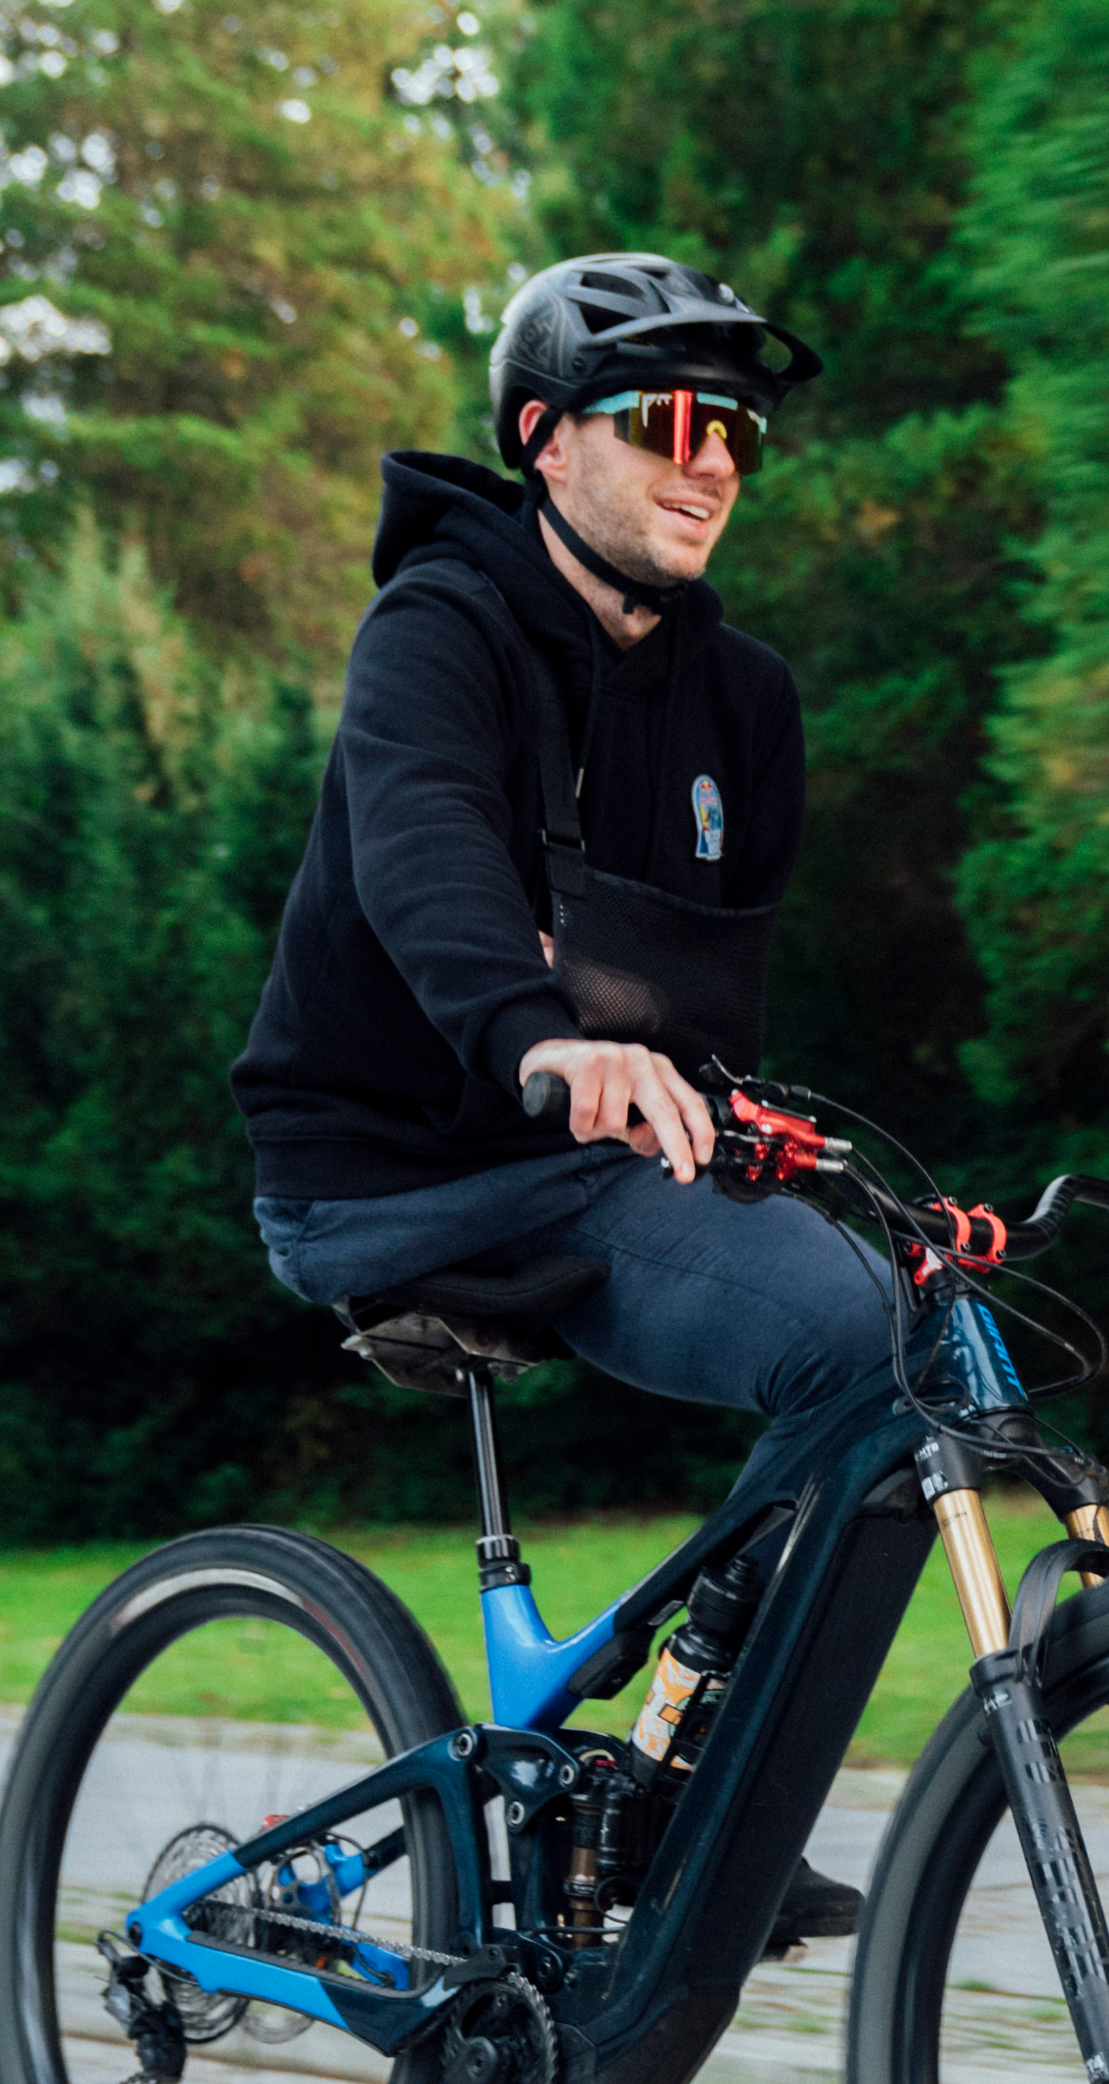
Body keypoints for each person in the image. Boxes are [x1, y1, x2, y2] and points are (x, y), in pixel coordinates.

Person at [231, 253, 880, 1942]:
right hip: (385, 1168)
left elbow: (716, 994)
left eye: (736, 428)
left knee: (880, 1345)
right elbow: (426, 845)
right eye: (667, 416)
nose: (713, 458)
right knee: (852, 1343)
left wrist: (769, 1131)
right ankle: (684, 1829)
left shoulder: (749, 704)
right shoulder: (437, 628)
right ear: (544, 440)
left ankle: (696, 1813)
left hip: (588, 1167)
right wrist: (540, 1034)